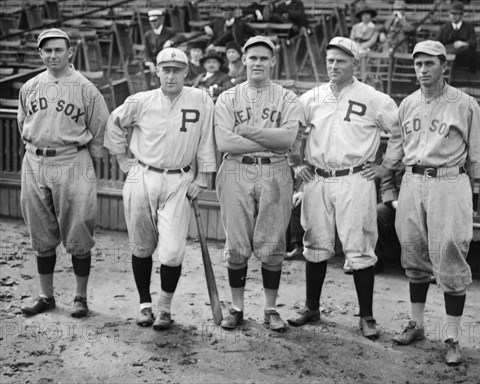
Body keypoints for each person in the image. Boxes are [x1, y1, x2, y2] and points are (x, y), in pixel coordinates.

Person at [377, 40, 480, 365]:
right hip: (412, 181)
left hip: (449, 180)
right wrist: (387, 174)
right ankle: (417, 323)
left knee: (451, 253)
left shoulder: (465, 103)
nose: (423, 70)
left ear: (444, 66)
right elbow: (397, 146)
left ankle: (453, 337)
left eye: (429, 64)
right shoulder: (407, 103)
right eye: (418, 64)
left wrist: (470, 196)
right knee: (413, 252)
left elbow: (479, 153)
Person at [287, 37, 401, 340]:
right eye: (330, 60)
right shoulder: (312, 97)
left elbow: (399, 131)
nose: (333, 65)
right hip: (318, 178)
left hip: (355, 178)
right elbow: (292, 131)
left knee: (360, 246)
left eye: (341, 60)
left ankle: (367, 316)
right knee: (315, 243)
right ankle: (312, 307)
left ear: (355, 63)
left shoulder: (374, 97)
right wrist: (296, 162)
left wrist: (386, 167)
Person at [104, 48, 217, 330]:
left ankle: (164, 308)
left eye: (177, 70)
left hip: (179, 180)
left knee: (171, 252)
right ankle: (145, 305)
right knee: (141, 246)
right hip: (142, 175)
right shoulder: (141, 100)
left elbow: (205, 140)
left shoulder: (201, 99)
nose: (171, 75)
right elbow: (114, 123)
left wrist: (202, 178)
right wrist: (121, 159)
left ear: (186, 72)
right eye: (165, 69)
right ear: (157, 71)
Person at [214, 36, 304, 332]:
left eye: (263, 58)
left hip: (275, 171)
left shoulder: (288, 98)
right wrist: (268, 138)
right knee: (237, 244)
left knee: (272, 243)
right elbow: (224, 141)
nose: (257, 63)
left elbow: (287, 140)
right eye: (252, 57)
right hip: (235, 170)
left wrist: (248, 131)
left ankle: (270, 308)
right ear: (243, 59)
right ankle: (237, 307)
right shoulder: (228, 97)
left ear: (272, 61)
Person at [18, 28, 109, 318]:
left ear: (70, 52)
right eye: (47, 50)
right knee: (40, 232)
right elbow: (24, 124)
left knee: (78, 230)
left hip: (72, 160)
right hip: (34, 162)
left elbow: (100, 130)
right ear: (40, 53)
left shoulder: (85, 88)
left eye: (58, 50)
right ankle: (46, 296)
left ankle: (80, 297)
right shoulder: (30, 86)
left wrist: (89, 168)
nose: (53, 55)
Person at [435, 1, 480, 74]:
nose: (453, 16)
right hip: (447, 56)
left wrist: (463, 43)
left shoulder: (468, 27)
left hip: (463, 57)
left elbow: (473, 42)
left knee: (469, 51)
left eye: (456, 14)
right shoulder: (444, 27)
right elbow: (436, 43)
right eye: (451, 13)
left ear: (461, 15)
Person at [144, 9, 178, 74]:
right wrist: (150, 63)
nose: (152, 23)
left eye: (155, 21)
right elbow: (147, 51)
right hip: (154, 62)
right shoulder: (148, 35)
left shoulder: (169, 32)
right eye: (151, 21)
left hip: (167, 61)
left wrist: (170, 41)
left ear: (160, 20)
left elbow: (180, 37)